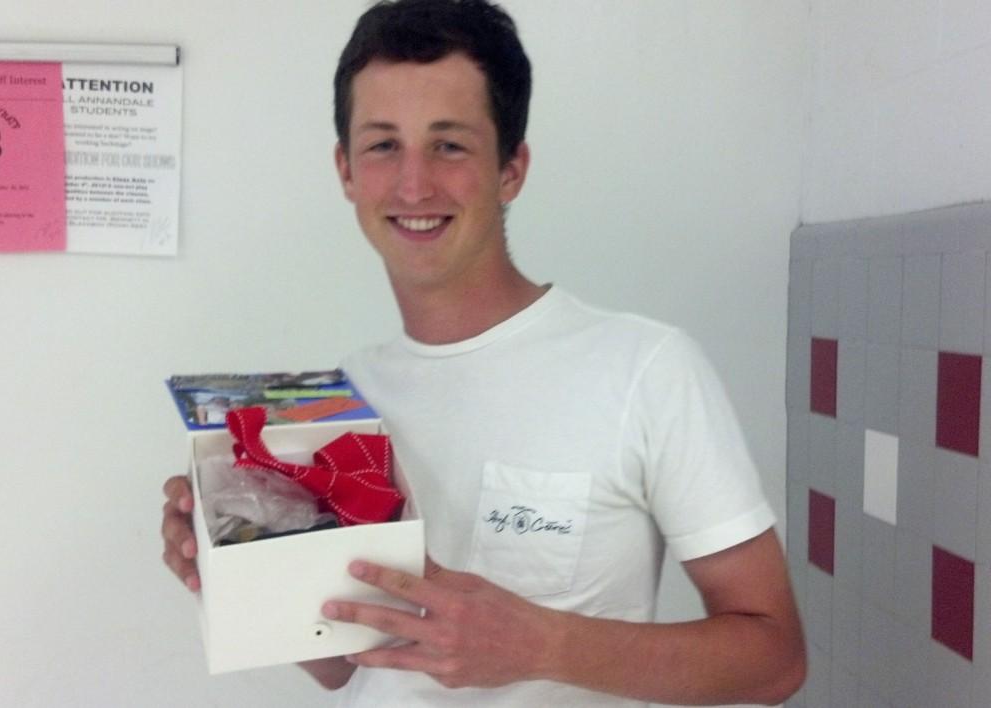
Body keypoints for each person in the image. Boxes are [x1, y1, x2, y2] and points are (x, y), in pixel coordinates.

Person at [162, 1, 806, 705]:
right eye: (383, 145)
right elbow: (354, 662)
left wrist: (540, 643)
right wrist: (233, 572)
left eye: (450, 145)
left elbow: (773, 659)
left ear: (511, 169)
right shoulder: (345, 398)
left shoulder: (645, 370)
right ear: (346, 171)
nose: (413, 185)